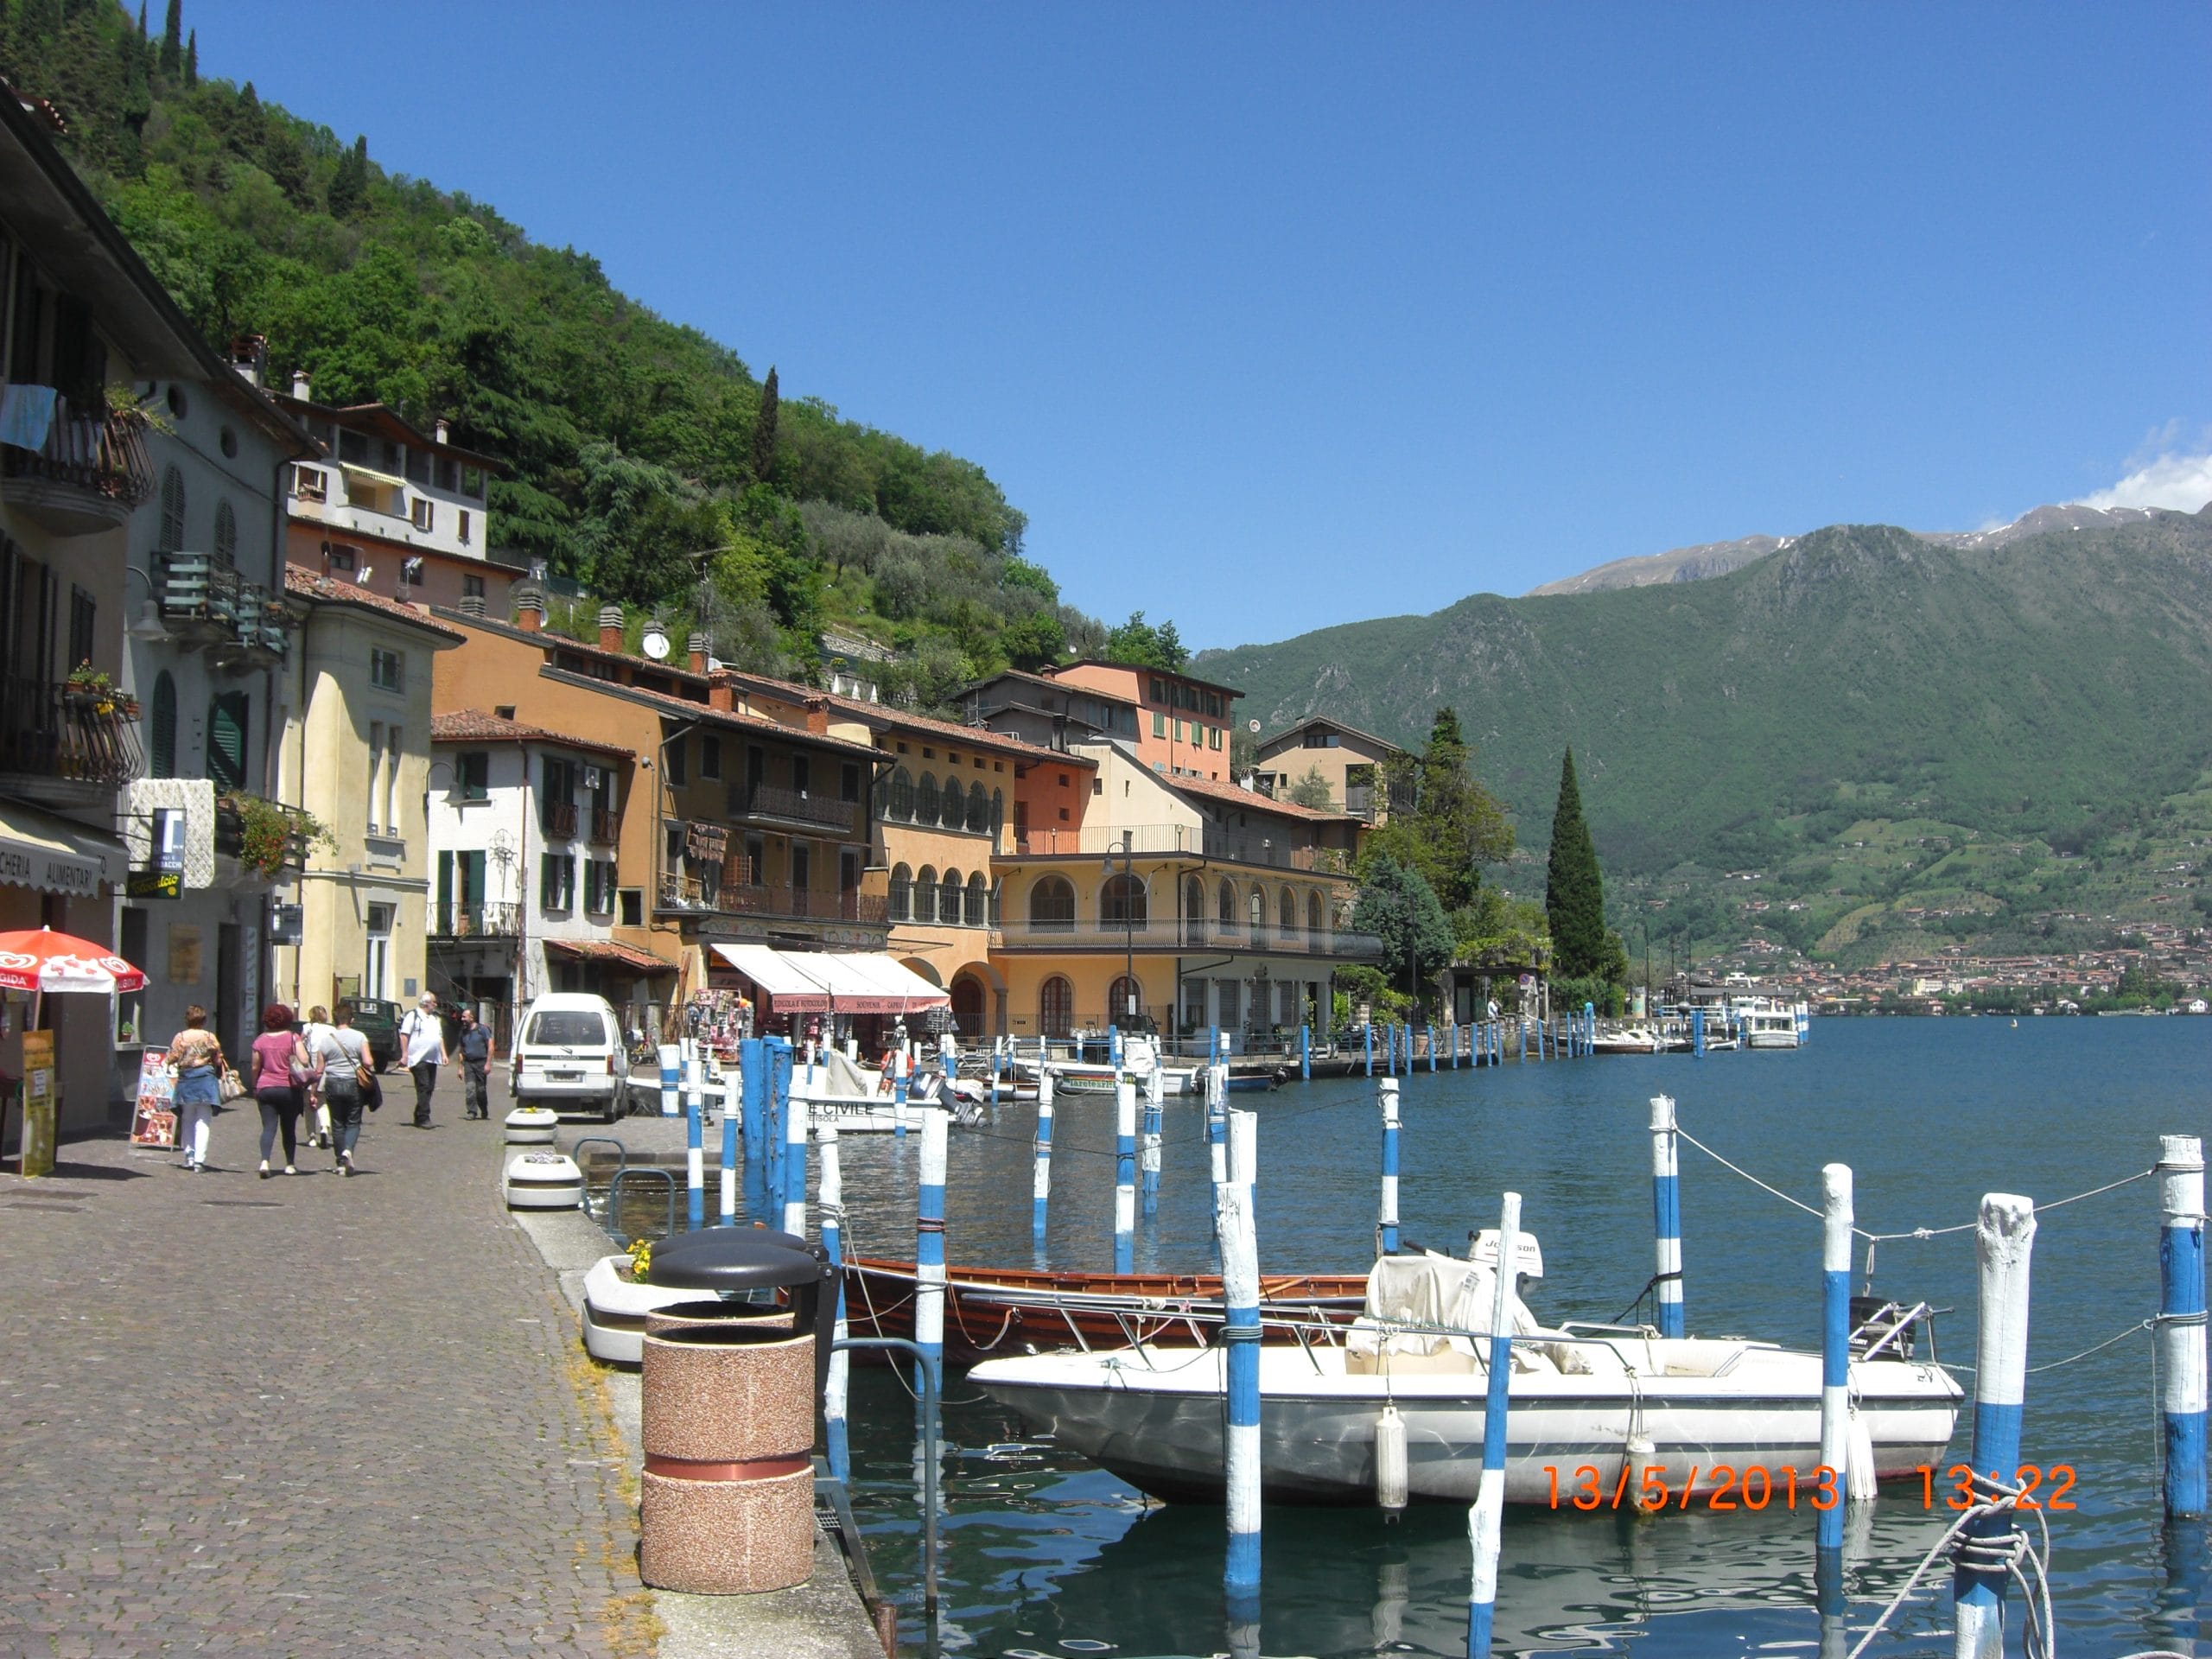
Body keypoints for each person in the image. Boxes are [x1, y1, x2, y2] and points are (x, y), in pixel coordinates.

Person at [309, 1003, 374, 1175]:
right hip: (353, 1082)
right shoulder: (360, 1036)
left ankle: (340, 1162)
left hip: (332, 1083)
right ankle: (348, 1151)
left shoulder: (326, 1040)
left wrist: (314, 1092)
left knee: (337, 1122)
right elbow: (368, 1062)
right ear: (351, 1019)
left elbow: (319, 1070)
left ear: (334, 1019)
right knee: (353, 1121)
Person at [248, 1003, 309, 1178]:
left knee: (268, 1127)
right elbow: (304, 1060)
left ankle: (265, 1162)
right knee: (288, 1128)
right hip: (288, 1087)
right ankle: (290, 1164)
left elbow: (255, 1067)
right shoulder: (292, 1038)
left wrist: (255, 1086)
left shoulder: (260, 1040)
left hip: (266, 1087)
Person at [166, 1007, 229, 1173]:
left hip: (187, 1079)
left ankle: (189, 1156)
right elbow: (217, 1060)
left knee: (187, 1118)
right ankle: (200, 1160)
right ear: (203, 1020)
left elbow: (171, 1058)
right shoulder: (209, 1037)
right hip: (206, 1080)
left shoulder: (180, 1037)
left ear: (187, 1019)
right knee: (203, 1121)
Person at [397, 993, 448, 1128]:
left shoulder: (434, 1019)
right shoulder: (413, 1015)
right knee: (423, 1086)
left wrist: (444, 1054)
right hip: (418, 1058)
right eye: (434, 1002)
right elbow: (404, 1035)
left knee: (429, 1088)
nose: (435, 1005)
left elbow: (439, 1037)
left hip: (432, 1059)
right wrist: (404, 1055)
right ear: (426, 1003)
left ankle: (419, 1113)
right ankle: (424, 1118)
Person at [299, 1004, 336, 1149]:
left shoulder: (308, 1027)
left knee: (309, 1103)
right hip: (328, 1064)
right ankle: (325, 1127)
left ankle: (311, 1136)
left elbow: (299, 1042)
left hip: (312, 1063)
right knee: (323, 1100)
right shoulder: (332, 1029)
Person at [455, 1007, 493, 1119]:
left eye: (464, 1017)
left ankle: (484, 1109)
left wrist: (488, 1063)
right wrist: (460, 1068)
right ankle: (472, 1112)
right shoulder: (463, 1032)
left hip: (481, 1063)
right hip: (469, 1064)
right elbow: (461, 1051)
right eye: (462, 1017)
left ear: (472, 1018)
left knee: (481, 1090)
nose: (462, 1019)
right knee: (470, 1088)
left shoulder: (483, 1030)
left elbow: (490, 1046)